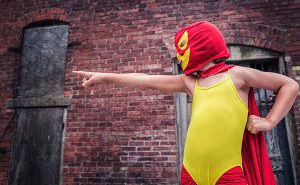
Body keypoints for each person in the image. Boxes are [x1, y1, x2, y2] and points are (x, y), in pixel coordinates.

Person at [73, 21, 299, 185]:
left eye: (182, 49)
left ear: (202, 46)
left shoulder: (237, 76)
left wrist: (268, 122)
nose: (179, 56)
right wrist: (104, 77)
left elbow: (289, 85)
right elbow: (147, 80)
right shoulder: (191, 83)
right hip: (190, 173)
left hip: (228, 173)